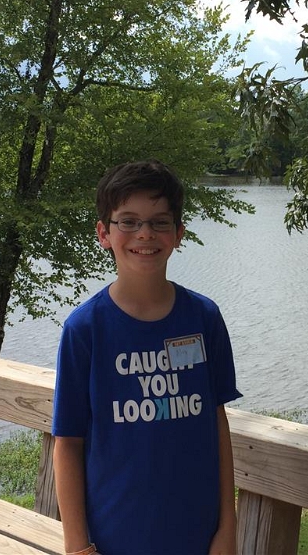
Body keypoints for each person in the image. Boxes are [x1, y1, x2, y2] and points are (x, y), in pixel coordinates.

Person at [52, 160, 242, 555]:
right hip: (115, 536)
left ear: (178, 233)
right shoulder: (85, 330)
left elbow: (217, 423)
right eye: (128, 221)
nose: (145, 234)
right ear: (104, 233)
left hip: (198, 534)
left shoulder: (204, 318)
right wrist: (77, 546)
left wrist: (228, 527)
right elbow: (67, 442)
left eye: (159, 222)